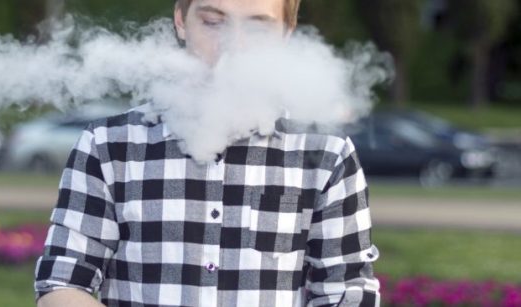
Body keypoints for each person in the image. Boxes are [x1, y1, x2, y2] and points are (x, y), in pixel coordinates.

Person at [34, 0, 381, 306]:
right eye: (213, 22)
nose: (235, 45)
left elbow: (347, 294)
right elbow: (62, 283)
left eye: (258, 26)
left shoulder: (325, 154)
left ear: (286, 33)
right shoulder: (109, 145)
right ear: (181, 21)